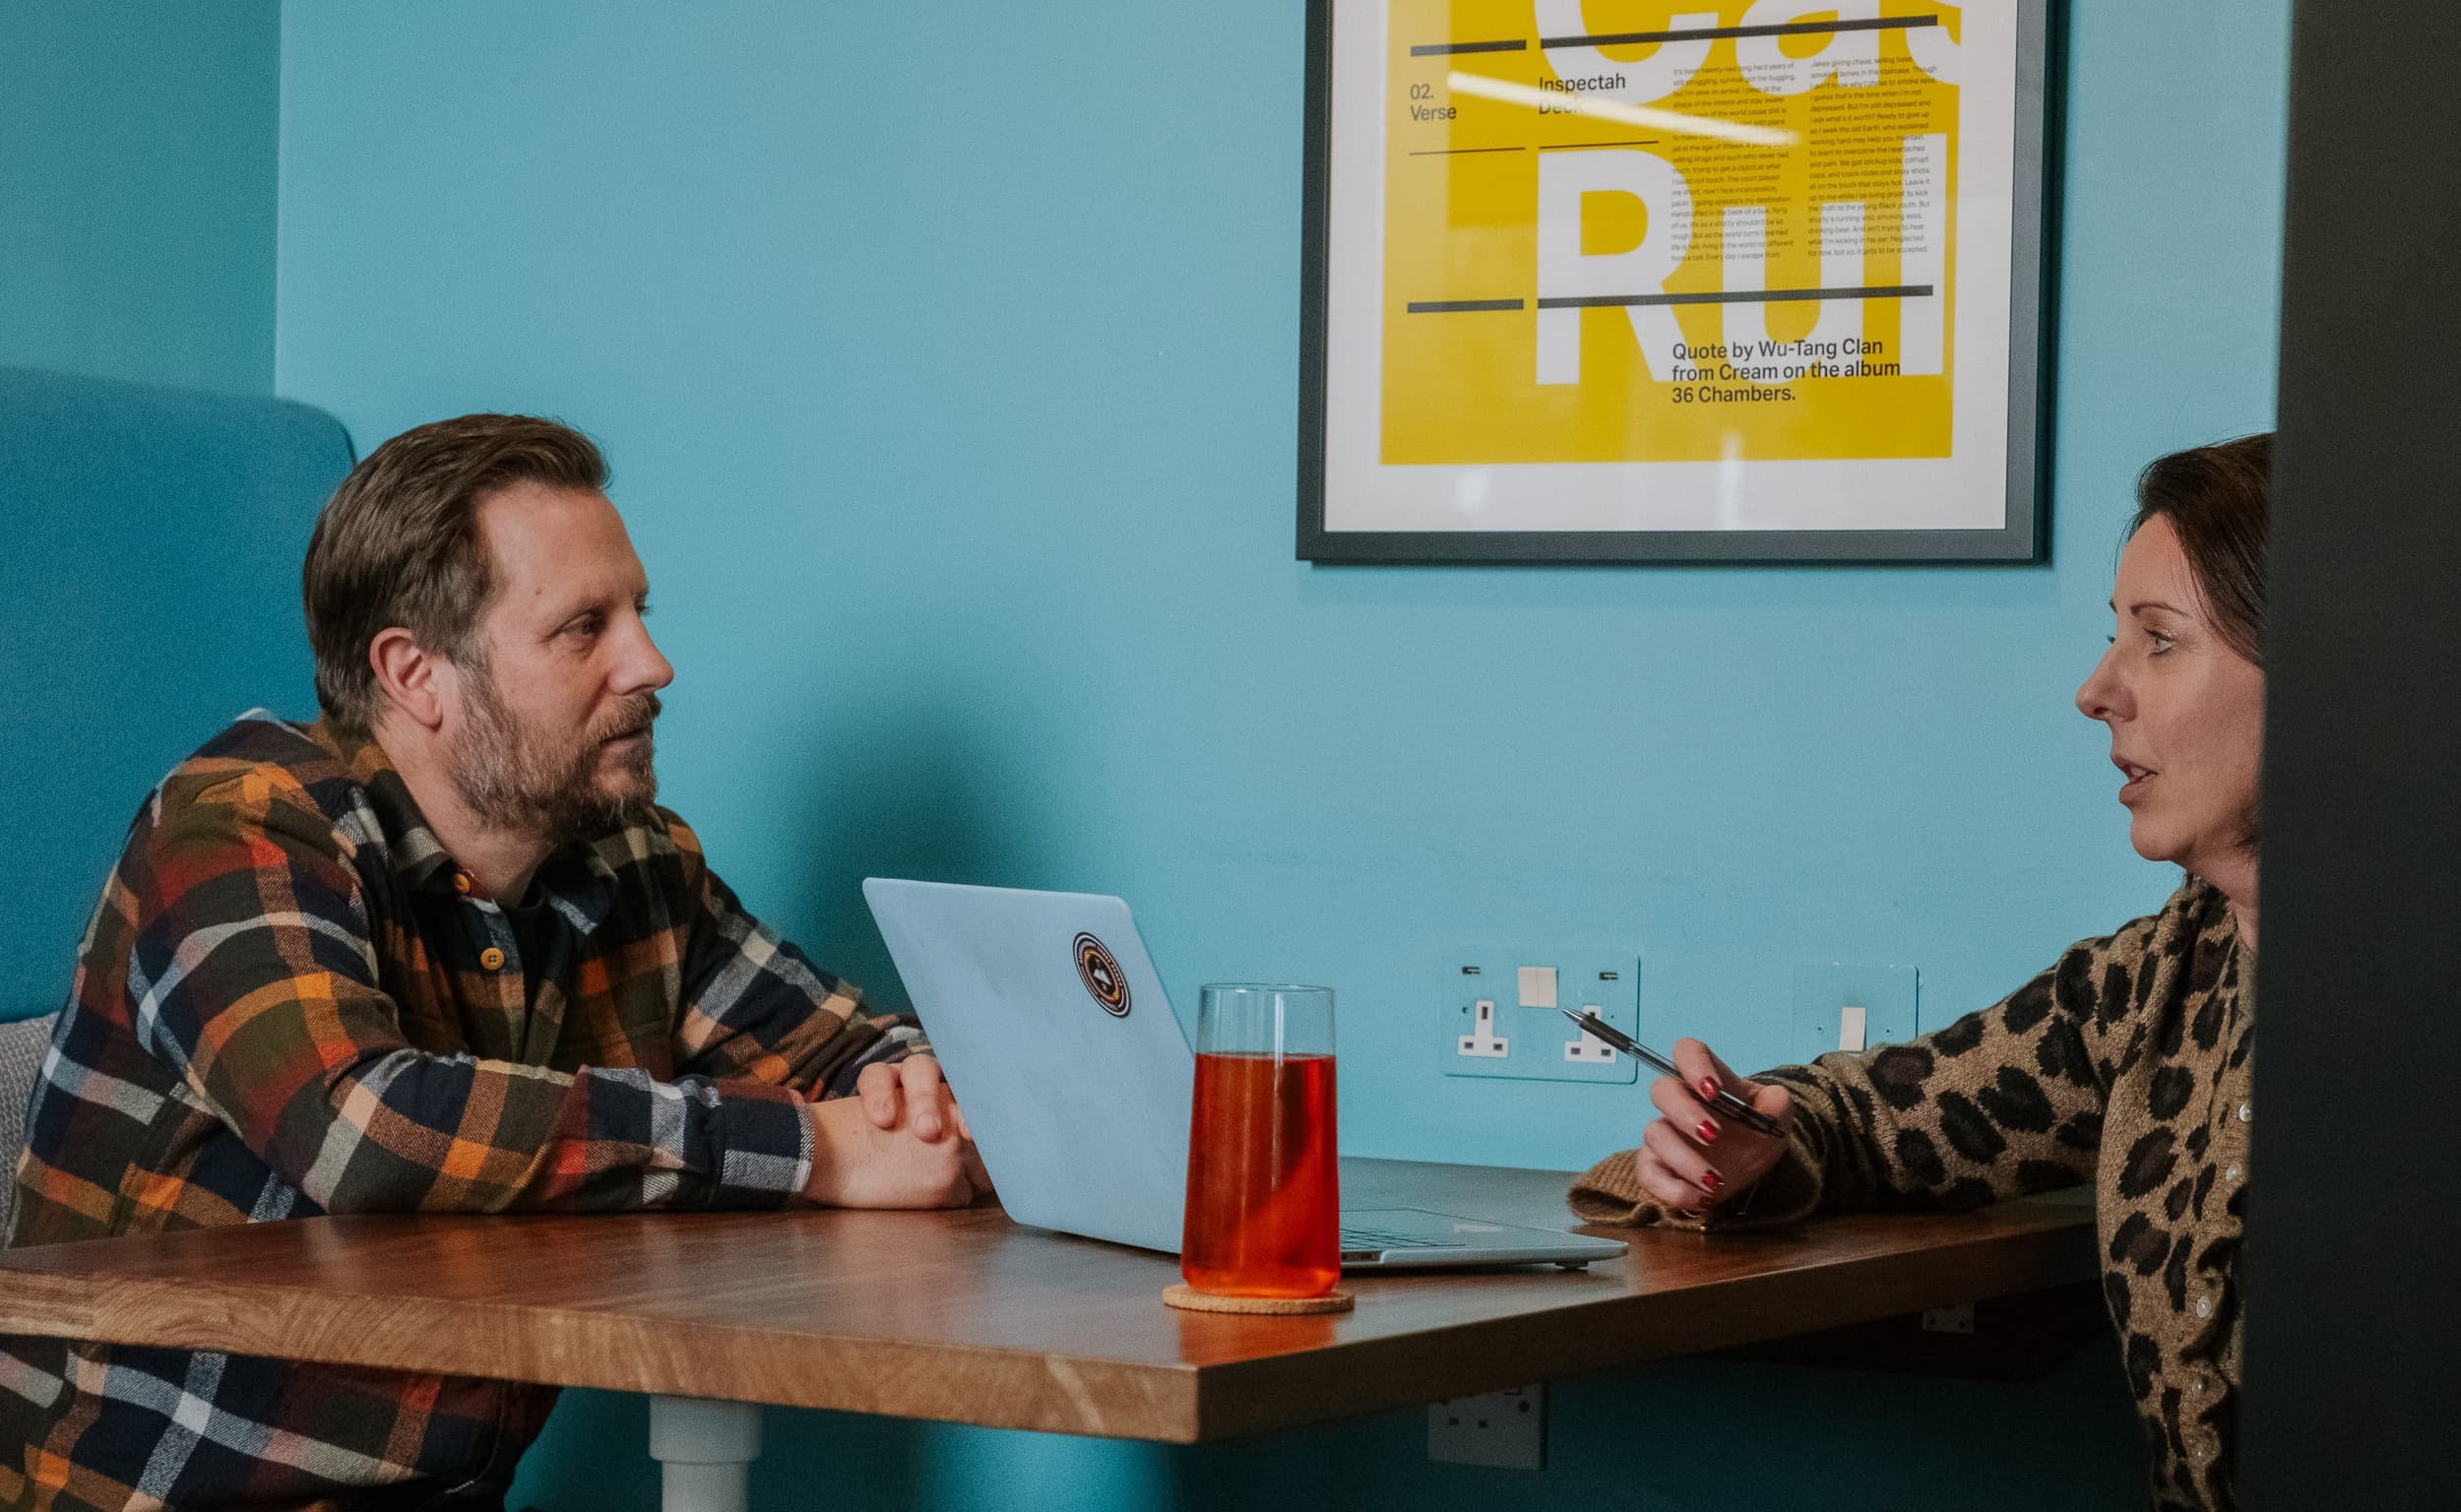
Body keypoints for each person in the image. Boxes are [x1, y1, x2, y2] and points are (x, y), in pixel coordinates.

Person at [2, 414, 988, 1512]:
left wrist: (908, 1083)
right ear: (416, 673)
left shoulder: (629, 860)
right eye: (583, 628)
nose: (651, 664)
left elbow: (847, 1046)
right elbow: (364, 1130)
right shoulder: (240, 828)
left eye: (639, 614)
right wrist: (816, 1150)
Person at [1570, 435, 2269, 1512]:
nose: (2096, 693)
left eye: (2160, 643)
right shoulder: (2159, 980)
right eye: (2111, 642)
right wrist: (1756, 1141)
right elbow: (1892, 1114)